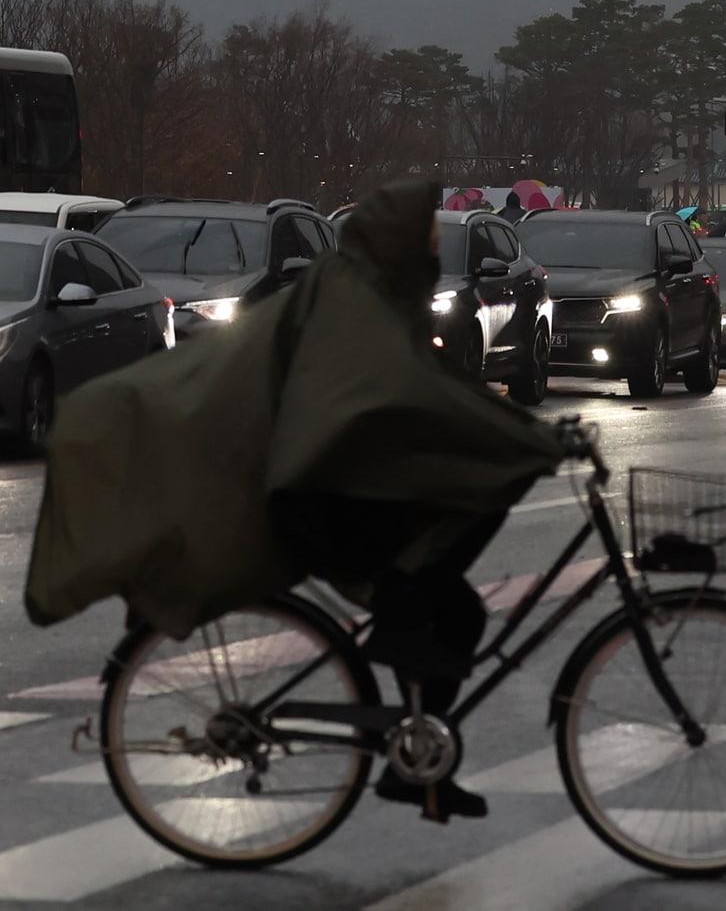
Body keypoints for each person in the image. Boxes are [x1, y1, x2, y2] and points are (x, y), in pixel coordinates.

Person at [26, 180, 563, 824]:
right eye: (423, 237)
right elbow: (417, 393)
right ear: (396, 241)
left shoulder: (372, 293)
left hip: (331, 486)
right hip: (320, 499)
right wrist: (527, 437)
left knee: (445, 601)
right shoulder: (359, 303)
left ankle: (415, 751)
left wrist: (515, 437)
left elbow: (424, 391)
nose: (429, 250)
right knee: (440, 596)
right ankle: (408, 745)